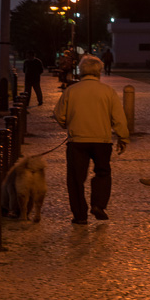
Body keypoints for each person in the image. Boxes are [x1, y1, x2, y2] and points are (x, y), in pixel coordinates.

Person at [53, 55, 129, 224]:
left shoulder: (71, 90)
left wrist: (67, 125)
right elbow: (119, 118)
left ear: (81, 71)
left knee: (75, 179)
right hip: (102, 141)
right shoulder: (108, 91)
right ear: (99, 72)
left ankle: (80, 215)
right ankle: (99, 205)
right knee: (102, 172)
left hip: (77, 141)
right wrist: (123, 137)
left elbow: (58, 115)